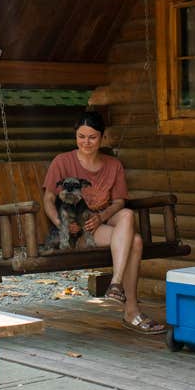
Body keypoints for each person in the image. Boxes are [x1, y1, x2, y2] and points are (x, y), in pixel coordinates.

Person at [42, 111, 166, 335]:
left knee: (126, 214)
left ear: (102, 137)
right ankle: (131, 310)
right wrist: (61, 224)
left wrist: (101, 217)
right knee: (136, 242)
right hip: (81, 232)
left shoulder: (113, 165)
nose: (86, 142)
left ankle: (115, 284)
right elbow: (48, 199)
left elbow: (119, 201)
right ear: (75, 136)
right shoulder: (62, 162)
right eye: (81, 136)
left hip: (103, 222)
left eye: (92, 137)